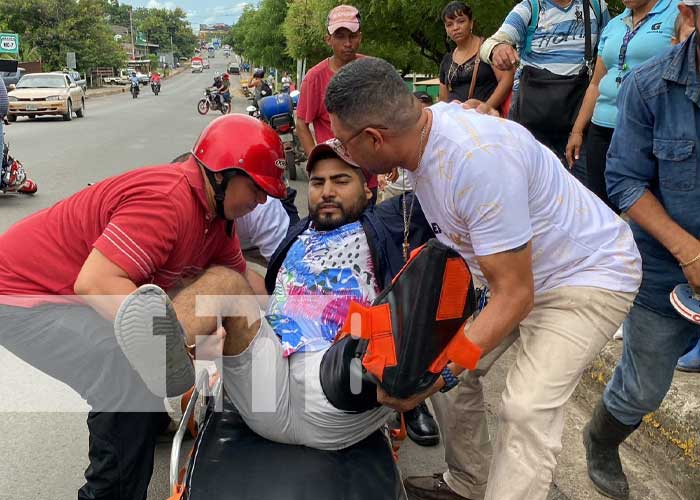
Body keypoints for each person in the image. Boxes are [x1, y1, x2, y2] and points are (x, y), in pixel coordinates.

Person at [325, 57, 642, 500]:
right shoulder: (423, 134)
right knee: (438, 372)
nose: (344, 155)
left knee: (524, 408)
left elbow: (515, 296)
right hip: (511, 274)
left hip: (585, 274)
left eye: (343, 146)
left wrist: (442, 376)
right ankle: (469, 484)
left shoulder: (476, 161)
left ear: (374, 138)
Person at [0, 115, 285, 500]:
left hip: (66, 292)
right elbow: (96, 283)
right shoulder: (168, 200)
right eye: (257, 189)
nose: (261, 201)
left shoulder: (216, 221)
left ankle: (146, 427)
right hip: (21, 294)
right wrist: (176, 344)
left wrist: (283, 328)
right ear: (222, 174)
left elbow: (239, 284)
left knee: (154, 352)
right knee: (124, 370)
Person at [120, 140, 433, 453]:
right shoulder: (296, 234)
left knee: (357, 350)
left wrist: (465, 124)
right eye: (317, 182)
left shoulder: (387, 223)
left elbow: (444, 188)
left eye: (341, 181)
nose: (327, 191)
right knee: (225, 280)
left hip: (339, 390)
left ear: (368, 191)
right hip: (267, 394)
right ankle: (165, 352)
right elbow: (260, 294)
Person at [583, 2, 700, 497]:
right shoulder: (648, 86)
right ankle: (601, 441)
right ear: (692, 15)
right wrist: (689, 253)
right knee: (642, 388)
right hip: (663, 271)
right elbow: (625, 180)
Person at [565, 0, 679, 210]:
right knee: (601, 206)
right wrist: (578, 130)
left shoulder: (677, 13)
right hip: (602, 129)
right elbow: (596, 83)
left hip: (648, 128)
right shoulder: (614, 24)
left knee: (647, 208)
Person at [480, 0, 610, 165]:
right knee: (528, 182)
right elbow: (487, 45)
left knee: (581, 187)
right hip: (530, 118)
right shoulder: (530, 8)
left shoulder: (596, 6)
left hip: (577, 121)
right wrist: (497, 49)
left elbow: (610, 49)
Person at [295, 4, 379, 202]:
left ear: (360, 36)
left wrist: (389, 159)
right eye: (340, 36)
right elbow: (301, 124)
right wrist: (316, 163)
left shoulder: (372, 69)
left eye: (353, 35)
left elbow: (385, 118)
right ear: (328, 39)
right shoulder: (314, 78)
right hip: (335, 178)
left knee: (368, 230)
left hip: (369, 175)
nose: (347, 43)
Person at [439, 2, 513, 111]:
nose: (455, 28)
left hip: (484, 121)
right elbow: (443, 99)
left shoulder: (488, 49)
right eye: (449, 24)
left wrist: (487, 107)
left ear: (471, 23)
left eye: (461, 21)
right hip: (456, 122)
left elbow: (507, 78)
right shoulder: (447, 60)